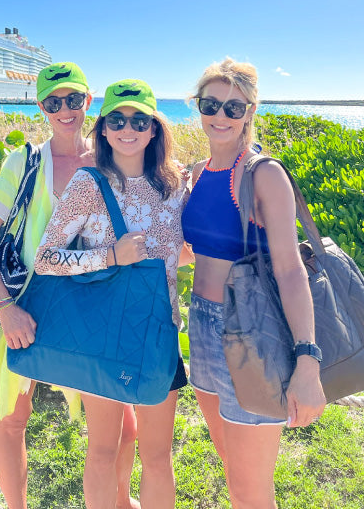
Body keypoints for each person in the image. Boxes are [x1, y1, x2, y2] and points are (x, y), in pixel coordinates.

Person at [0, 62, 139, 509]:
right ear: (41, 106)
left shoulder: (113, 159)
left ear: (88, 101)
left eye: (73, 99)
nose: (64, 110)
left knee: (124, 424)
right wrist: (5, 308)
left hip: (95, 309)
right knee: (13, 417)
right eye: (52, 101)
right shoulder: (24, 162)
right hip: (29, 305)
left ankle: (120, 502)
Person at [34, 79, 192, 509]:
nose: (128, 128)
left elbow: (176, 254)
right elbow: (46, 259)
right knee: (103, 450)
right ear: (102, 129)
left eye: (139, 119)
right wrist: (110, 256)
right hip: (103, 335)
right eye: (117, 119)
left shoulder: (176, 184)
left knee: (158, 456)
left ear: (155, 128)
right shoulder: (89, 182)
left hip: (159, 333)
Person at [181, 58, 326, 508]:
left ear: (250, 111)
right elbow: (199, 250)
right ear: (198, 106)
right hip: (201, 328)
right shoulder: (197, 173)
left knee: (250, 492)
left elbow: (289, 268)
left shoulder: (263, 174)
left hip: (252, 332)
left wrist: (307, 361)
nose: (220, 116)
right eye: (211, 104)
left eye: (234, 107)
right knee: (231, 462)